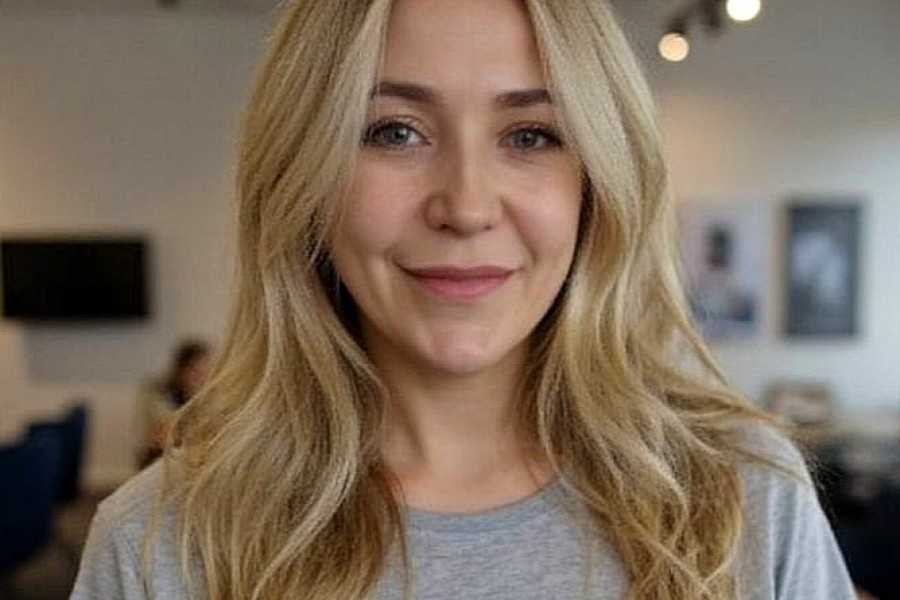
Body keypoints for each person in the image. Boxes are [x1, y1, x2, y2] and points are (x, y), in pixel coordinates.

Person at [72, 0, 857, 598]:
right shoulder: (160, 544)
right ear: (303, 176)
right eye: (395, 132)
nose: (468, 206)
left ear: (599, 184)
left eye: (530, 135)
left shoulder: (745, 498)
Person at [136, 339, 211, 469]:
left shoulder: (209, 396)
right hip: (160, 455)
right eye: (195, 371)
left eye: (204, 371)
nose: (200, 377)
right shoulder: (158, 393)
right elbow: (161, 433)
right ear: (181, 370)